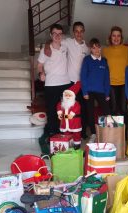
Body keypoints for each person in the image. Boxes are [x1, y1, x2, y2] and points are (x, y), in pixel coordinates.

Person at [45, 21, 90, 139]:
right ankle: (66, 131)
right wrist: (46, 44)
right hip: (69, 83)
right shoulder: (68, 42)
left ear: (84, 32)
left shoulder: (87, 48)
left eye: (81, 31)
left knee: (82, 109)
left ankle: (82, 132)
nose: (79, 33)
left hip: (82, 84)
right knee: (67, 109)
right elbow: (55, 39)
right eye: (76, 31)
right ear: (73, 33)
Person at [37, 23, 73, 154]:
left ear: (62, 35)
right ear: (51, 35)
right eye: (55, 34)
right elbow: (39, 65)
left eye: (59, 34)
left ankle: (64, 132)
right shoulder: (45, 50)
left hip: (65, 83)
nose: (57, 36)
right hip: (51, 84)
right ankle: (53, 135)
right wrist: (41, 73)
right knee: (52, 111)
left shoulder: (65, 45)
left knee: (65, 110)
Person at [80, 38, 111, 143]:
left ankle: (108, 131)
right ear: (90, 49)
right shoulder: (87, 60)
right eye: (93, 48)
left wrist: (107, 93)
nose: (96, 49)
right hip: (89, 91)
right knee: (90, 112)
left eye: (98, 47)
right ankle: (93, 133)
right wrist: (84, 92)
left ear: (100, 47)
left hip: (101, 91)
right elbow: (83, 76)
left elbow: (107, 78)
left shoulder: (104, 61)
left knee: (107, 111)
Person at [102, 26, 128, 131]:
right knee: (113, 109)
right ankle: (113, 133)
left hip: (123, 84)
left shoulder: (127, 50)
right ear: (110, 37)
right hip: (110, 84)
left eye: (118, 35)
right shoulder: (105, 50)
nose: (116, 38)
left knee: (123, 109)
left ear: (121, 37)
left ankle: (124, 134)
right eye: (114, 35)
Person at [56, 83, 82, 149]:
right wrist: (59, 113)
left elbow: (72, 113)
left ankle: (77, 144)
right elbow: (59, 106)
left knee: (76, 133)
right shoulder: (62, 103)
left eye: (69, 95)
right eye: (66, 95)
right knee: (66, 133)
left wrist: (67, 116)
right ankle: (67, 143)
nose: (67, 96)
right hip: (65, 122)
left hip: (74, 121)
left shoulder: (76, 104)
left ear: (73, 96)